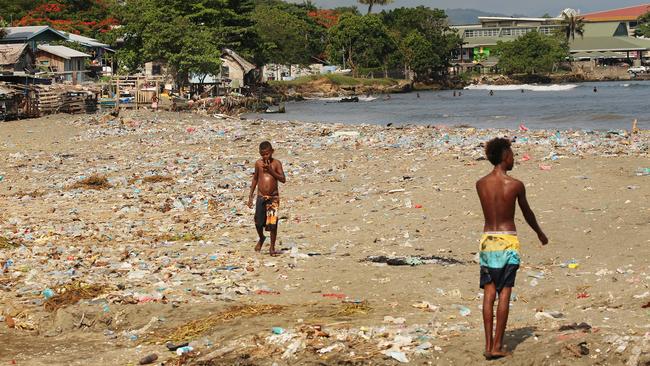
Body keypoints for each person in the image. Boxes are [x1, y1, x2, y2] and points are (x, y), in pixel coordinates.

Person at [476, 137, 548, 360]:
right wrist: (539, 232)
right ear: (505, 156)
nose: (514, 157)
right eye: (512, 154)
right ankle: (497, 345)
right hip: (507, 240)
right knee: (505, 292)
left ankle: (488, 346)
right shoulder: (515, 185)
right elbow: (527, 213)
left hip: (488, 240)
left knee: (489, 292)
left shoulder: (481, 183)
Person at [247, 141, 286, 256]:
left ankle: (272, 247)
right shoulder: (258, 164)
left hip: (273, 197)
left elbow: (283, 179)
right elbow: (255, 179)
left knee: (272, 223)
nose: (265, 157)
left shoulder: (276, 163)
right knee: (258, 222)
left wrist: (270, 170)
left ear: (272, 152)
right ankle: (262, 237)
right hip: (261, 196)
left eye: (267, 154)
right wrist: (250, 196)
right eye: (262, 154)